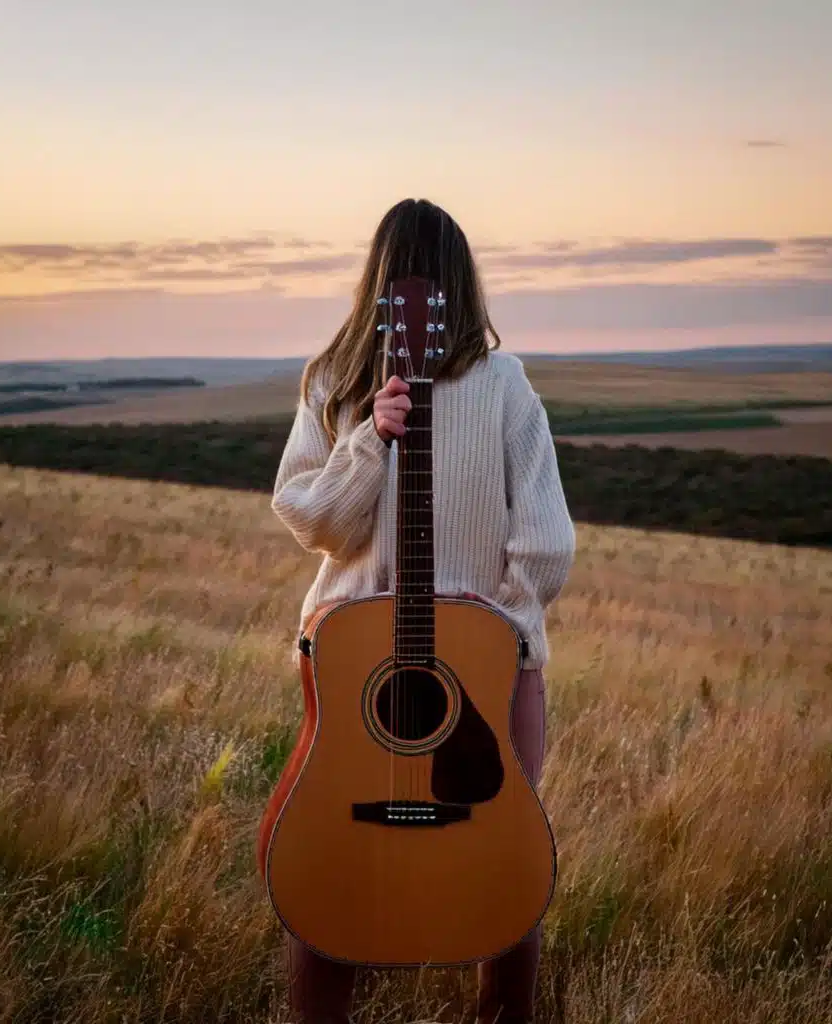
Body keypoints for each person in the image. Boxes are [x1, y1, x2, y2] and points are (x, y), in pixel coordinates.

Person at [268, 197, 576, 1024]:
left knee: (505, 859)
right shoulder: (334, 384)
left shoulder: (504, 387)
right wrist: (369, 438)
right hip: (352, 670)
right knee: (332, 856)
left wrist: (495, 633)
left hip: (489, 668)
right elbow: (313, 523)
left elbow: (546, 542)